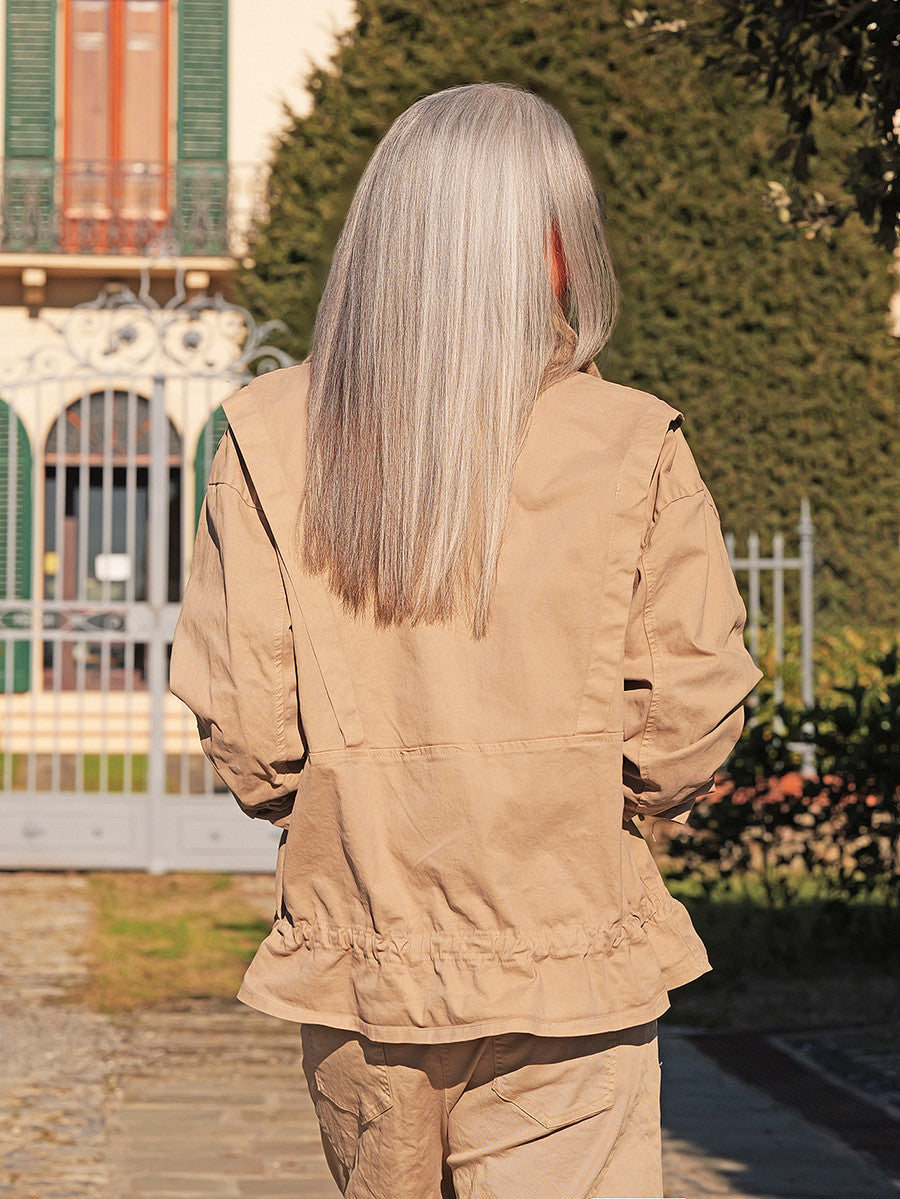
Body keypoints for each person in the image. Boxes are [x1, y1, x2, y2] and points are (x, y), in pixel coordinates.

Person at [170, 83, 761, 1199]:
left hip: (363, 953)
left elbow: (246, 721)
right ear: (555, 243)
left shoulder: (268, 432)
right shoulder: (630, 440)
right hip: (568, 943)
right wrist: (605, 802)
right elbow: (687, 714)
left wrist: (339, 811)